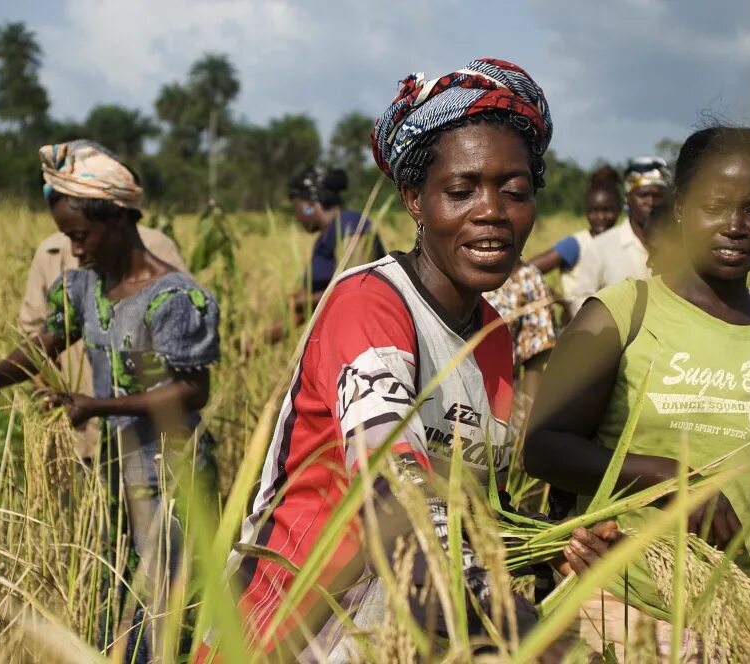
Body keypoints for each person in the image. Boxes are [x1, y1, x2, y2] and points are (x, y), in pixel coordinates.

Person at [206, 58, 615, 662]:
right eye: (461, 190)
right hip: (291, 632)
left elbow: (472, 507)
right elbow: (395, 497)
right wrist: (519, 628)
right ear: (414, 200)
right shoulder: (369, 303)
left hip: (409, 634)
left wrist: (556, 546)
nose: (492, 211)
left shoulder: (494, 340)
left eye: (516, 191)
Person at [525, 126, 750, 659]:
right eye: (715, 206)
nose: (733, 226)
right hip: (618, 613)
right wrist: (665, 476)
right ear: (680, 208)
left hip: (746, 623)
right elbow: (543, 446)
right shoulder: (618, 313)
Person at [0, 140, 220, 661]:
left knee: (163, 608)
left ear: (119, 221)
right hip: (115, 467)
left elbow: (195, 390)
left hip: (173, 475)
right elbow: (42, 347)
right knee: (115, 597)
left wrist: (96, 406)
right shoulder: (84, 289)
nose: (75, 250)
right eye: (68, 238)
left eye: (81, 236)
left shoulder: (173, 297)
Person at [19, 198, 188, 460]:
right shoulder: (50, 252)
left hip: (146, 436)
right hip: (76, 431)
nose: (78, 250)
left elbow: (181, 334)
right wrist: (49, 392)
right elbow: (33, 334)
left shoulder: (155, 247)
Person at [265, 167, 386, 342]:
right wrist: (253, 345)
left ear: (310, 205)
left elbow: (356, 288)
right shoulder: (325, 238)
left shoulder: (349, 225)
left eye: (296, 206)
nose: (297, 216)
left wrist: (305, 301)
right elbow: (304, 307)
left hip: (364, 337)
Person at [565, 156, 670, 315]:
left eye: (657, 195)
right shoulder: (601, 247)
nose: (650, 201)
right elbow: (580, 300)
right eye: (643, 195)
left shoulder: (678, 246)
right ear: (628, 198)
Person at [529, 166, 623, 317]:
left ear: (619, 210)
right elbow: (528, 271)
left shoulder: (625, 242)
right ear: (586, 211)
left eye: (607, 210)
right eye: (594, 211)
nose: (601, 217)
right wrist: (562, 301)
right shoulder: (576, 244)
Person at [482, 260, 557, 422]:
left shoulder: (527, 277)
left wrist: (531, 432)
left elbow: (535, 359)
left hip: (499, 407)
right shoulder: (444, 266)